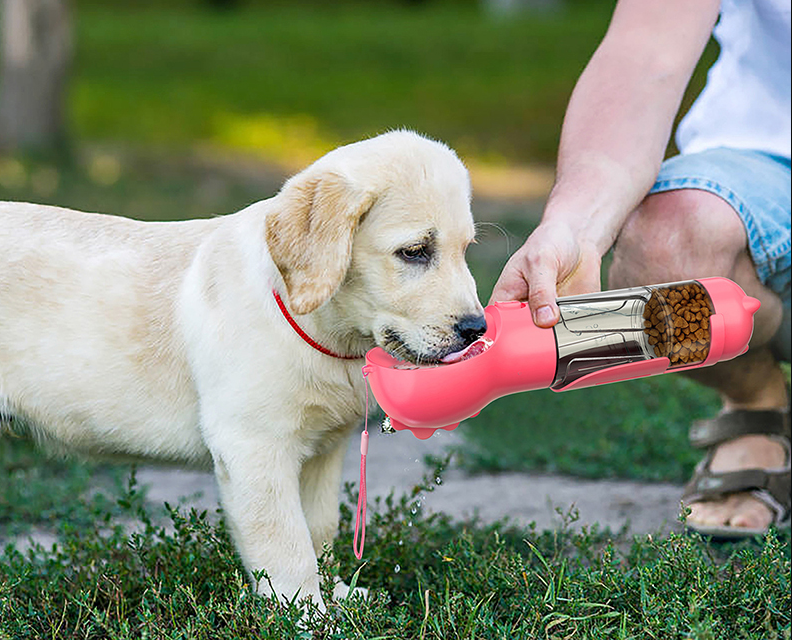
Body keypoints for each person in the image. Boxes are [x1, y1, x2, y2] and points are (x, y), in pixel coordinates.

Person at [490, 0, 790, 537]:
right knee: (670, 248)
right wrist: (576, 229)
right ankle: (757, 404)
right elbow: (644, 52)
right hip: (766, 153)